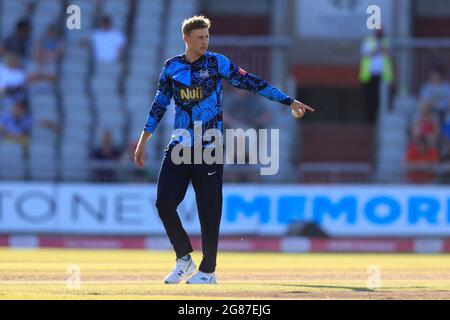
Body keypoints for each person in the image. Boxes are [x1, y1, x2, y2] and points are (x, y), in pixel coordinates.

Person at [133, 16, 315, 285]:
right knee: (164, 203)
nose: (205, 42)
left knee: (209, 209)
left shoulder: (217, 63)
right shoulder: (171, 67)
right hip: (180, 145)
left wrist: (288, 101)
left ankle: (208, 271)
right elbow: (158, 106)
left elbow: (251, 82)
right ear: (186, 39)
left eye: (207, 36)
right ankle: (184, 258)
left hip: (210, 147)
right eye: (199, 37)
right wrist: (143, 141)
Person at [359, 28, 394, 124]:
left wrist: (382, 50)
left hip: (383, 77)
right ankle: (369, 121)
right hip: (369, 76)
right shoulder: (368, 41)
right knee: (369, 99)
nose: (379, 32)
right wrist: (379, 49)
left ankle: (381, 121)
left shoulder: (387, 41)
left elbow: (390, 54)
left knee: (382, 100)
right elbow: (366, 53)